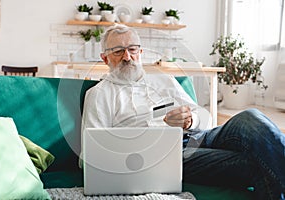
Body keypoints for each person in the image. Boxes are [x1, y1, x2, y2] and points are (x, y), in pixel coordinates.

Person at [81, 24, 285, 200]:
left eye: (132, 49)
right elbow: (88, 157)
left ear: (140, 53)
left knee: (251, 117)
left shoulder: (163, 80)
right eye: (118, 51)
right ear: (105, 58)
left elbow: (206, 119)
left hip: (199, 136)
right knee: (258, 162)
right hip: (166, 156)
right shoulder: (99, 94)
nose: (127, 57)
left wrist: (190, 121)